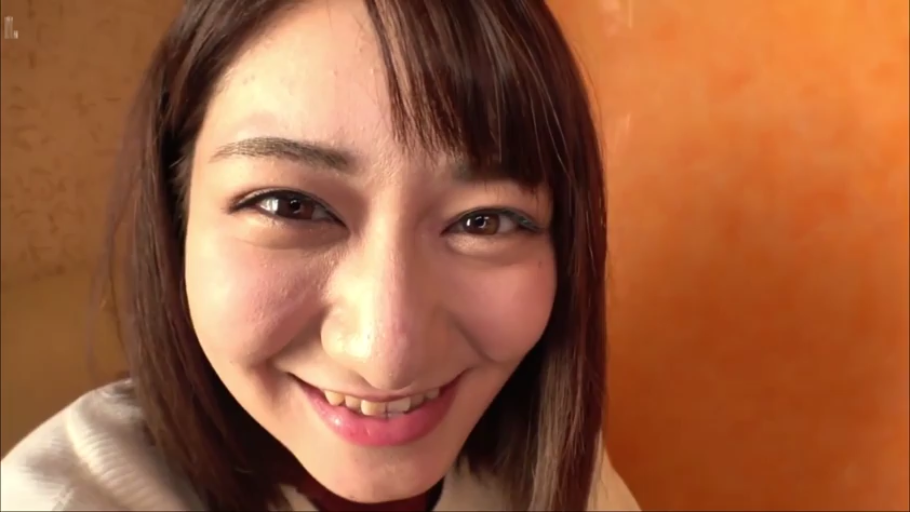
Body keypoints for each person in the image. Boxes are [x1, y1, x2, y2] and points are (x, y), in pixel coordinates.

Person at [0, 1, 640, 510]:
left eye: (484, 221)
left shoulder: (557, 463)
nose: (386, 357)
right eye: (290, 206)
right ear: (177, 219)